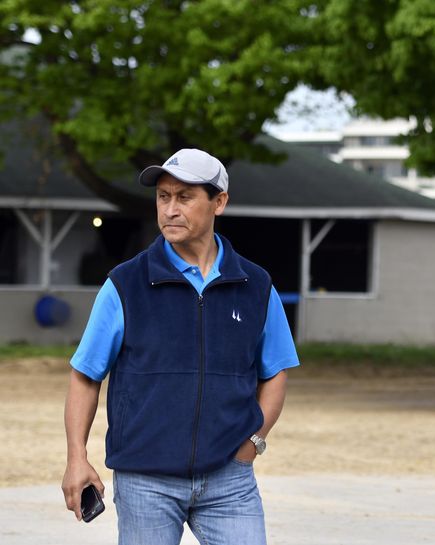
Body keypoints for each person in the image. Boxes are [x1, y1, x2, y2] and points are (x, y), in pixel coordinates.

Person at [61, 148, 300, 545]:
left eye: (185, 197)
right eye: (163, 197)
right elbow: (85, 376)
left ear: (218, 202)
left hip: (229, 481)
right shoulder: (124, 284)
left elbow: (274, 372)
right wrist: (76, 457)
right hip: (145, 481)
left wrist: (251, 445)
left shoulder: (256, 287)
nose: (170, 209)